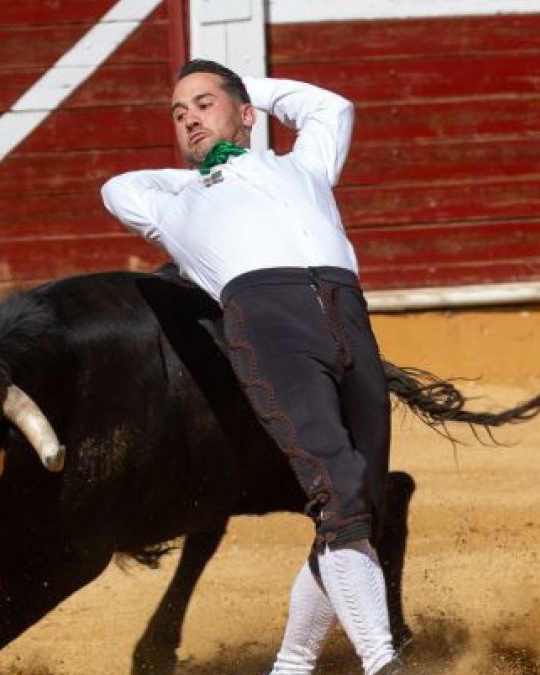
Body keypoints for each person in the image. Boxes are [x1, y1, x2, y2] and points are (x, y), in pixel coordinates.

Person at [100, 59, 406, 675]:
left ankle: (291, 666)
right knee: (339, 491)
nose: (188, 118)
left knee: (358, 504)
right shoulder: (176, 204)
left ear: (247, 114)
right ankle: (382, 663)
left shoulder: (304, 169)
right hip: (269, 327)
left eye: (204, 104)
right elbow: (119, 187)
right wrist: (214, 164)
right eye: (178, 114)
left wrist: (247, 105)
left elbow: (331, 107)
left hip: (348, 317)